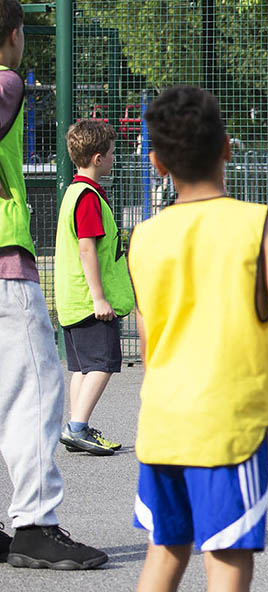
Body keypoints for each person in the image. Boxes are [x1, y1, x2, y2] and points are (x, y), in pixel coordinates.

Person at [128, 86, 268, 592]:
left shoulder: (144, 235)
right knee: (227, 555)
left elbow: (146, 336)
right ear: (227, 146)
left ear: (157, 164)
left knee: (165, 550)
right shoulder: (257, 222)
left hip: (161, 420)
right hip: (227, 424)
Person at [0, 0, 109, 568]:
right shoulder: (8, 79)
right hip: (5, 268)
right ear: (15, 34)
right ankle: (37, 525)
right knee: (35, 395)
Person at [53, 120, 133, 456]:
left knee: (82, 368)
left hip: (73, 300)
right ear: (98, 158)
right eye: (113, 153)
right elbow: (87, 248)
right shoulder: (87, 197)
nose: (115, 158)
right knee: (102, 363)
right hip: (90, 302)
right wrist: (99, 297)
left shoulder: (74, 191)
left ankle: (77, 426)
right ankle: (77, 427)